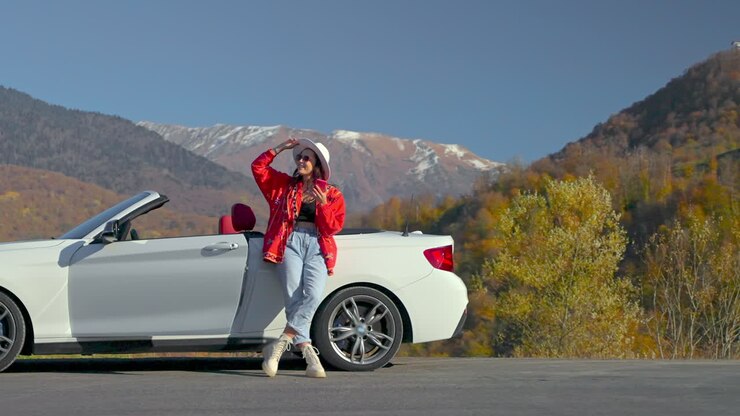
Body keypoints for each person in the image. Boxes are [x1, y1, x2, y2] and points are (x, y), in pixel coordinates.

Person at [251, 137, 345, 378]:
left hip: (318, 244)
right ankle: (310, 356)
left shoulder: (333, 194)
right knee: (293, 298)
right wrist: (280, 148)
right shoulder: (283, 185)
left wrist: (323, 205)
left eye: (307, 158)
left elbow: (333, 227)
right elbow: (258, 168)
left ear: (317, 165)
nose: (301, 161)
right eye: (300, 157)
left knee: (312, 294)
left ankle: (281, 343)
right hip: (288, 241)